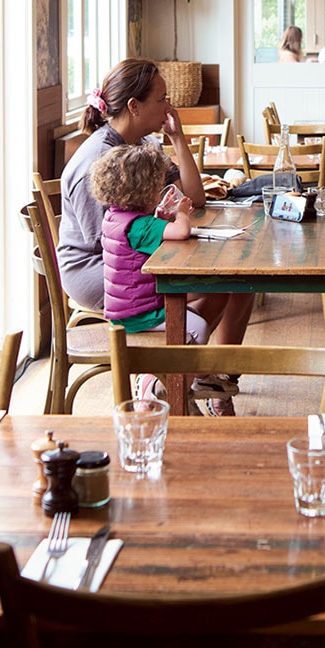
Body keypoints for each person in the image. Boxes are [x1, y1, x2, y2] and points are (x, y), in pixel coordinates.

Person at [57, 59, 253, 404]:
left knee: (237, 282)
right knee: (219, 283)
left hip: (135, 251)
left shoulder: (142, 144)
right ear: (134, 106)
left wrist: (177, 138)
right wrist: (166, 229)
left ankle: (210, 383)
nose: (169, 106)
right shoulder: (99, 160)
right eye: (162, 98)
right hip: (98, 268)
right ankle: (162, 377)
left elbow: (195, 198)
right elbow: (106, 241)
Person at [89, 142, 230, 416]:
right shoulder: (140, 225)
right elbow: (180, 232)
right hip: (141, 313)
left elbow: (147, 234)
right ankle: (169, 388)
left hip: (126, 307)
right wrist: (181, 214)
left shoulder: (117, 217)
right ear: (145, 189)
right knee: (198, 328)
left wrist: (161, 216)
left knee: (189, 314)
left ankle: (171, 381)